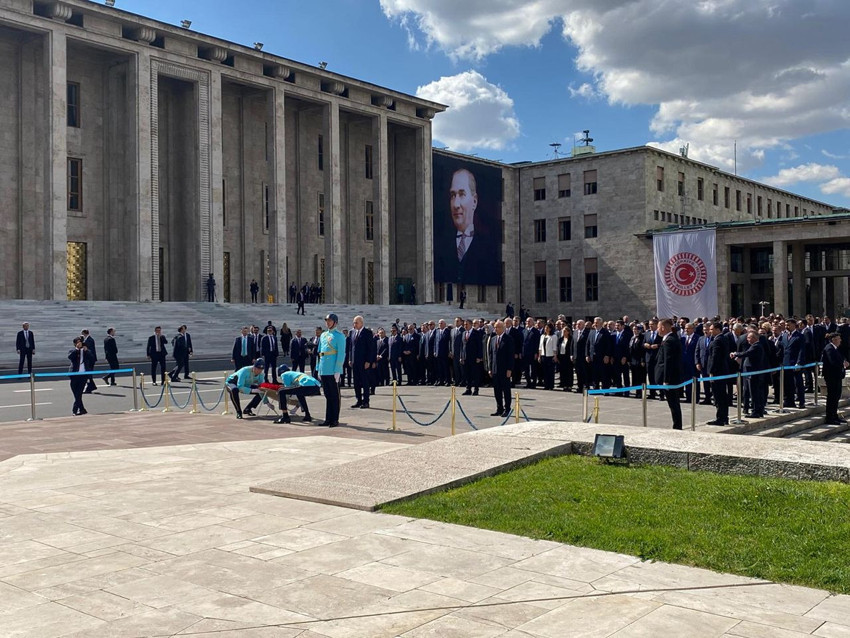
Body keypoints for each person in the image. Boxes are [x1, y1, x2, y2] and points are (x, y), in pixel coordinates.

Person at [436, 168, 500, 285]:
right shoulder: (440, 245)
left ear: (474, 201)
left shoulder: (489, 247)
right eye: (453, 195)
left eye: (462, 194)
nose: (456, 204)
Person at [316, 313, 346, 427]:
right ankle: (328, 418)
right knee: (327, 395)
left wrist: (338, 369)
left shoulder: (339, 336)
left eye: (330, 320)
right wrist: (319, 368)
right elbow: (320, 353)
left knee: (334, 395)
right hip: (324, 369)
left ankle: (335, 419)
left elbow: (341, 353)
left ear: (335, 322)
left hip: (333, 369)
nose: (327, 322)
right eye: (326, 320)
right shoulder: (323, 335)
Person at [655, 318, 683, 430]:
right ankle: (677, 425)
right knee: (673, 403)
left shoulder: (669, 341)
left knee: (673, 404)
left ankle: (677, 426)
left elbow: (668, 361)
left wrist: (666, 380)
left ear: (662, 327)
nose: (657, 330)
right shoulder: (671, 338)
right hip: (672, 378)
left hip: (670, 379)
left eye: (658, 327)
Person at [732, 328, 767, 419]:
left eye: (749, 338)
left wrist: (736, 354)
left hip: (753, 373)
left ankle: (756, 411)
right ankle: (758, 410)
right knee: (753, 392)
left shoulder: (756, 346)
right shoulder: (755, 345)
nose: (747, 339)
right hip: (750, 372)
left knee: (754, 393)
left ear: (754, 338)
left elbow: (747, 353)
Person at [706, 321, 731, 425]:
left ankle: (720, 418)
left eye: (712, 329)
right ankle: (724, 417)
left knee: (718, 396)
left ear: (717, 330)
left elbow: (714, 357)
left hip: (717, 372)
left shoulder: (717, 340)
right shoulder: (723, 339)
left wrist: (711, 371)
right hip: (722, 371)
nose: (710, 331)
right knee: (722, 395)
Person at [489, 319, 515, 417]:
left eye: (498, 327)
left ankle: (507, 408)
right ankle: (499, 408)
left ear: (503, 328)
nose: (495, 329)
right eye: (495, 327)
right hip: (495, 369)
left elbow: (510, 355)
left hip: (505, 369)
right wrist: (490, 368)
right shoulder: (493, 339)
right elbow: (491, 355)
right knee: (497, 390)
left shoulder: (508, 339)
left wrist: (509, 369)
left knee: (506, 390)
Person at [350, 316, 376, 409]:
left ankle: (366, 401)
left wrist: (369, 361)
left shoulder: (367, 333)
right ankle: (358, 400)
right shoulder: (352, 332)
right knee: (356, 382)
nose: (354, 324)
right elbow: (351, 348)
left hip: (364, 362)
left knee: (365, 382)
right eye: (354, 322)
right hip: (355, 362)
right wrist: (350, 359)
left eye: (356, 323)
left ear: (361, 323)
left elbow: (371, 348)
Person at [822, 332, 848, 425]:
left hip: (837, 376)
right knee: (832, 397)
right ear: (834, 340)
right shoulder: (829, 348)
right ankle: (830, 417)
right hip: (831, 376)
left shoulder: (836, 349)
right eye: (838, 338)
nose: (840, 340)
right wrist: (843, 364)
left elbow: (840, 358)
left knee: (836, 396)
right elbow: (832, 362)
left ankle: (834, 415)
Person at [68, 337, 95, 416]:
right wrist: (77, 349)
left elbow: (92, 359)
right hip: (74, 375)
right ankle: (82, 409)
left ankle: (75, 410)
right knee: (75, 393)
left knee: (79, 393)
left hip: (83, 375)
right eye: (78, 342)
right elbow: (70, 357)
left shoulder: (86, 351)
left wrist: (86, 351)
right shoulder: (72, 351)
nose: (80, 344)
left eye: (81, 342)